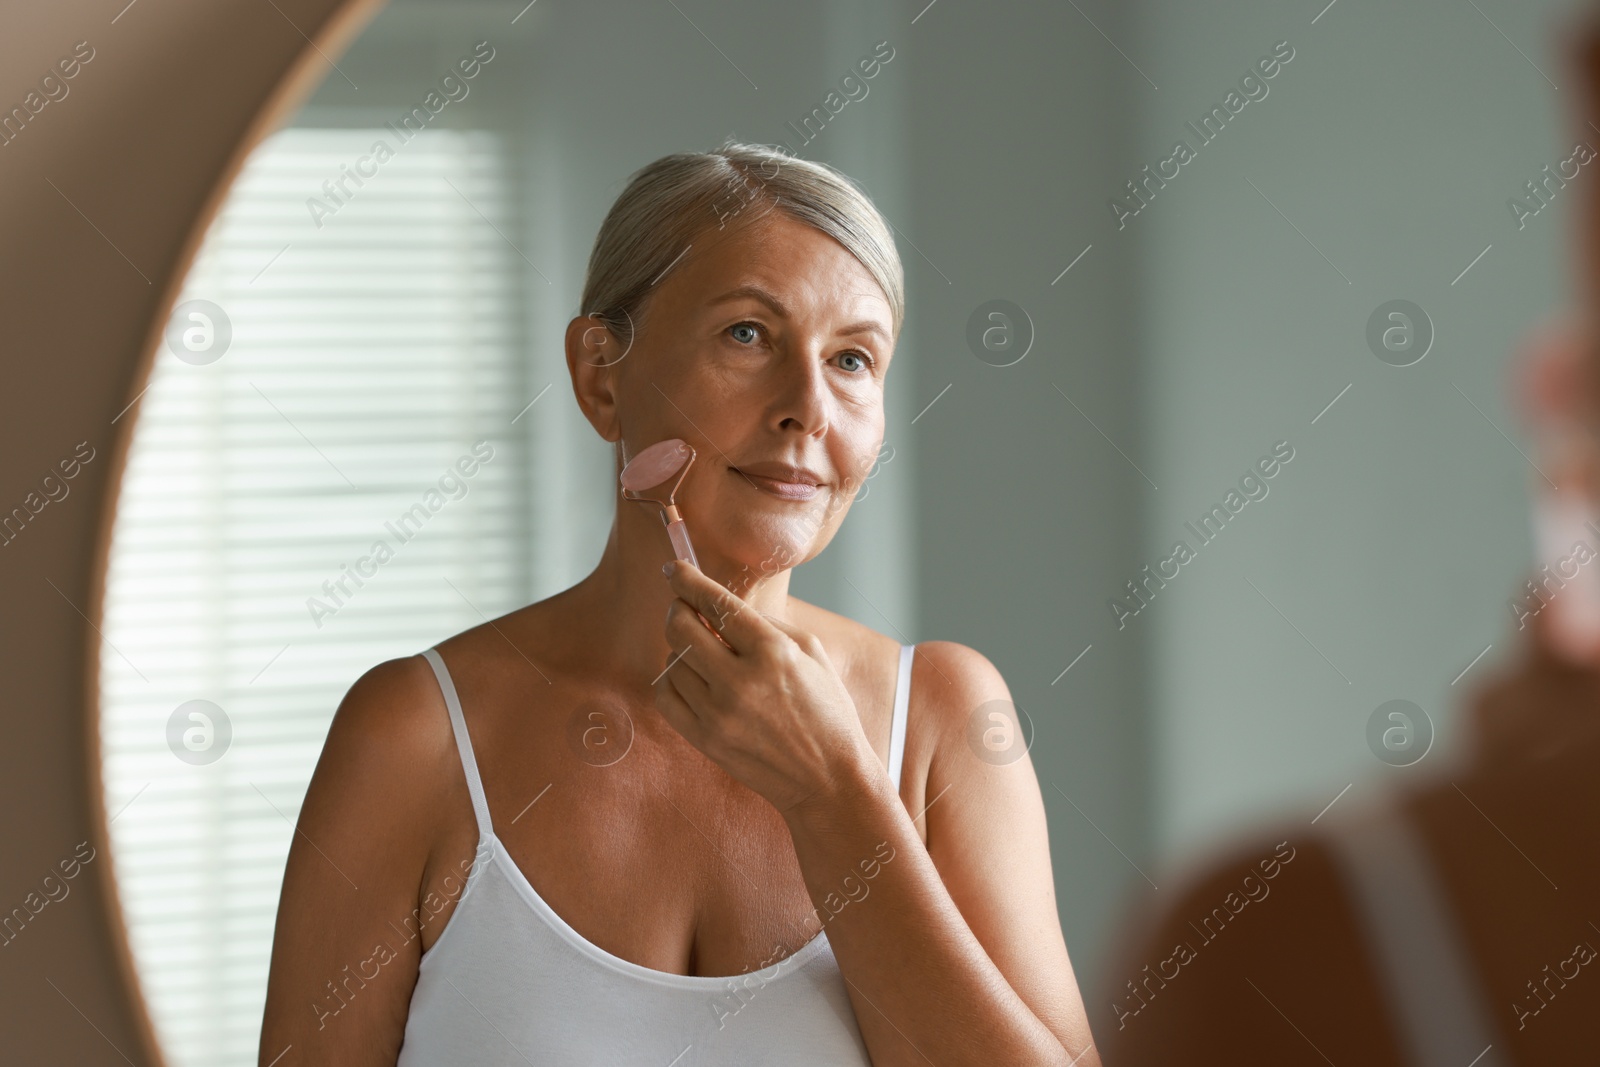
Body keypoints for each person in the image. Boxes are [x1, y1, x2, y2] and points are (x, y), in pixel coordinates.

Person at [259, 141, 1098, 1065]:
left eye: (853, 359)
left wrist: (835, 797)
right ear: (599, 373)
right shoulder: (414, 736)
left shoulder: (944, 719)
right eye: (747, 334)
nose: (809, 408)